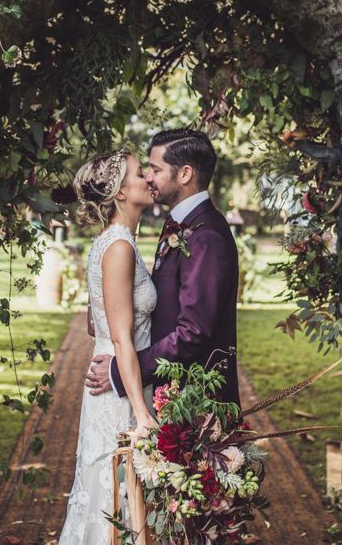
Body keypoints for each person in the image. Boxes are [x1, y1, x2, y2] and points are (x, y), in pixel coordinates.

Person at [85, 128, 241, 407]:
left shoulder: (207, 237)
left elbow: (193, 332)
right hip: (169, 394)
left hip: (195, 401)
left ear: (184, 174)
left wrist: (120, 370)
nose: (148, 177)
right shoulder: (180, 225)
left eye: (155, 169)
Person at [59, 148, 158, 545]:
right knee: (118, 499)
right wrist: (141, 415)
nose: (149, 178)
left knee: (117, 497)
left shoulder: (111, 242)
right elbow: (120, 336)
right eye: (139, 173)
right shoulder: (118, 247)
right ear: (119, 192)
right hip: (121, 391)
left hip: (116, 375)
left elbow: (92, 321)